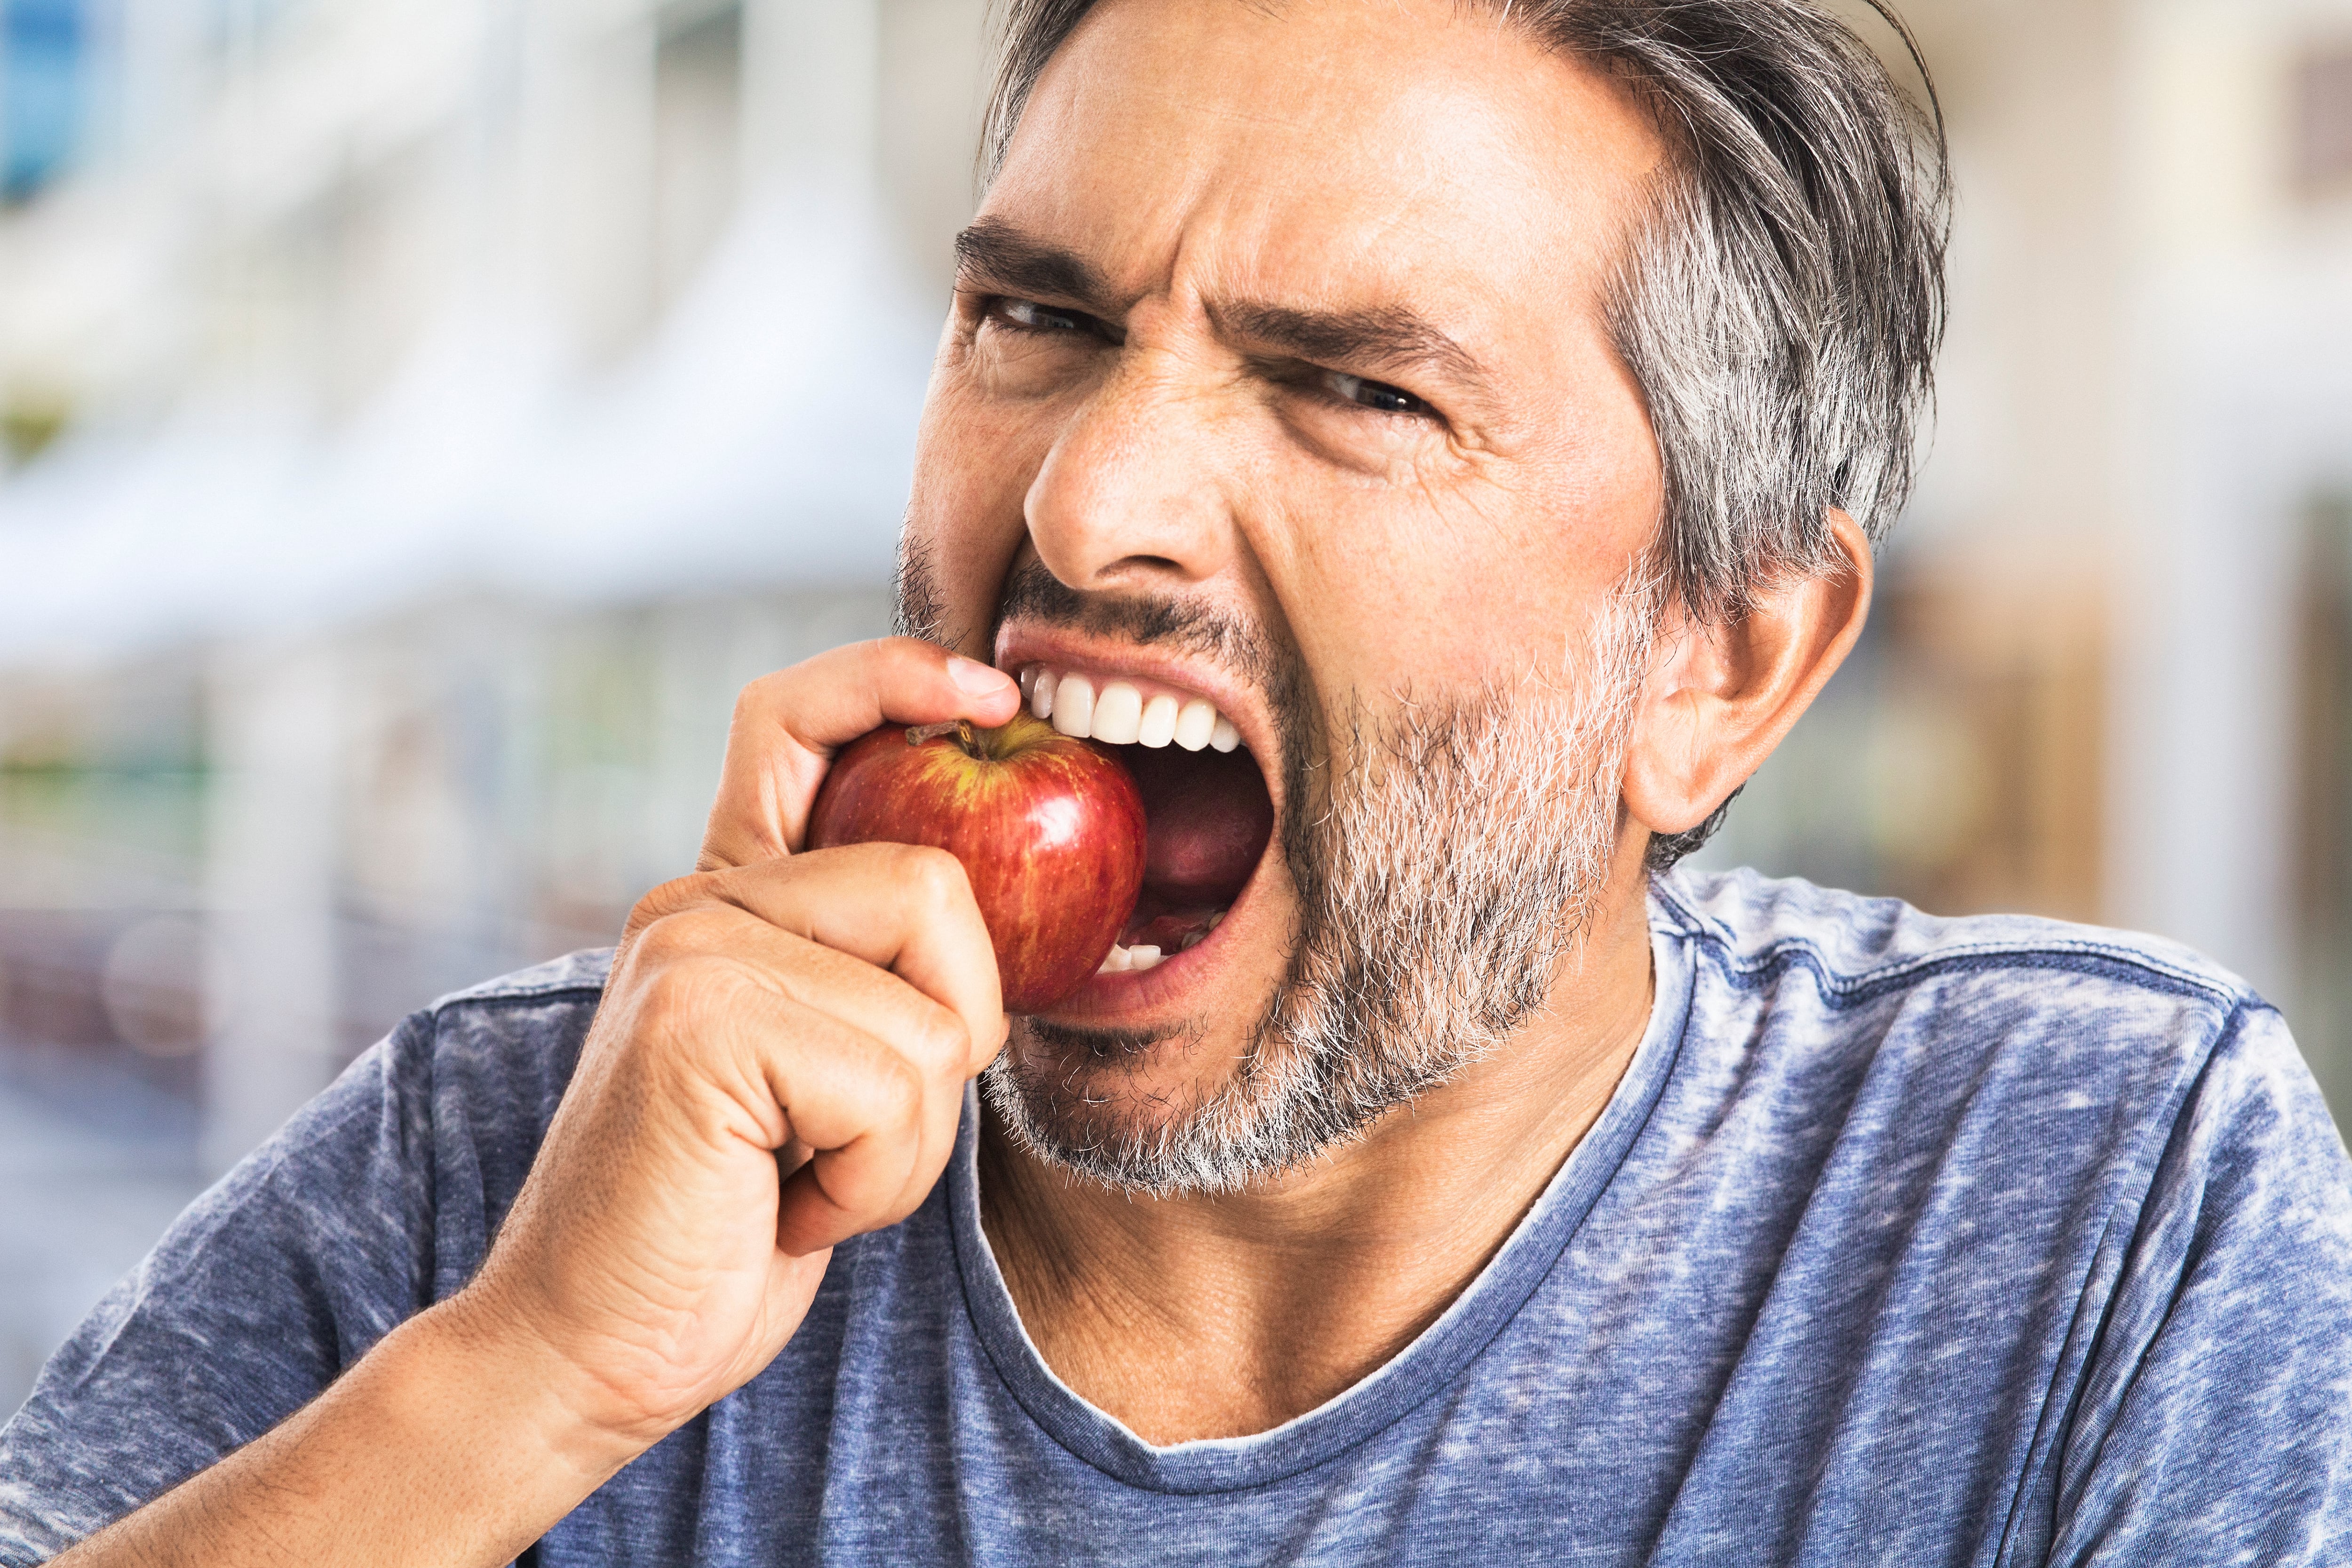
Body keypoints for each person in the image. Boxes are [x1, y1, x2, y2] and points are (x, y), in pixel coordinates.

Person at [6, 0, 2350, 1561]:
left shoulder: (2081, 1200)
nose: (1086, 503)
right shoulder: (512, 1178)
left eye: (1355, 385)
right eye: (1035, 320)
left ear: (1718, 666)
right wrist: (524, 1386)